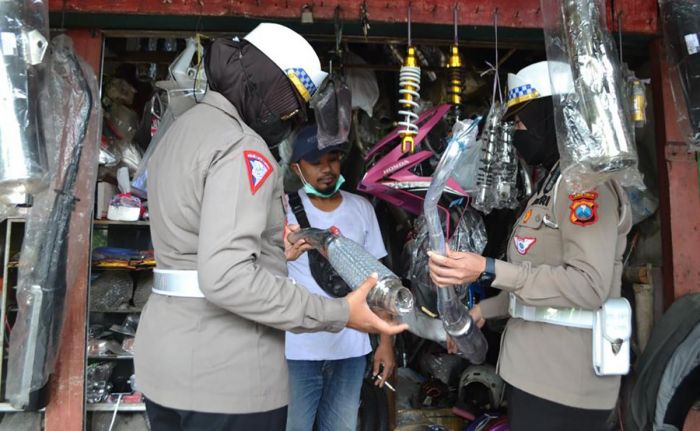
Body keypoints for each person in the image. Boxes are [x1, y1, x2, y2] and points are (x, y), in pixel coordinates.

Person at [134, 24, 406, 431]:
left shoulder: (181, 130)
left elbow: (197, 241)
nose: (290, 116)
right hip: (225, 374)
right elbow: (226, 276)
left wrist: (272, 255)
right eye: (290, 100)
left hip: (165, 363)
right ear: (264, 80)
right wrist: (338, 313)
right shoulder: (241, 146)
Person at [428, 61, 632, 431]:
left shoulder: (586, 188)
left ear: (552, 117)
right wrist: (485, 310)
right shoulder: (553, 183)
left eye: (522, 122)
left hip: (566, 385)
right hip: (536, 375)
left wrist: (488, 269)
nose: (517, 133)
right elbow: (540, 280)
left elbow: (587, 286)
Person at [283, 125, 395, 431]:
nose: (327, 169)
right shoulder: (281, 210)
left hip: (350, 350)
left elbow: (380, 283)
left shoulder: (361, 209)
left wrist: (385, 344)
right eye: (316, 163)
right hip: (297, 351)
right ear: (297, 168)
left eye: (332, 160)